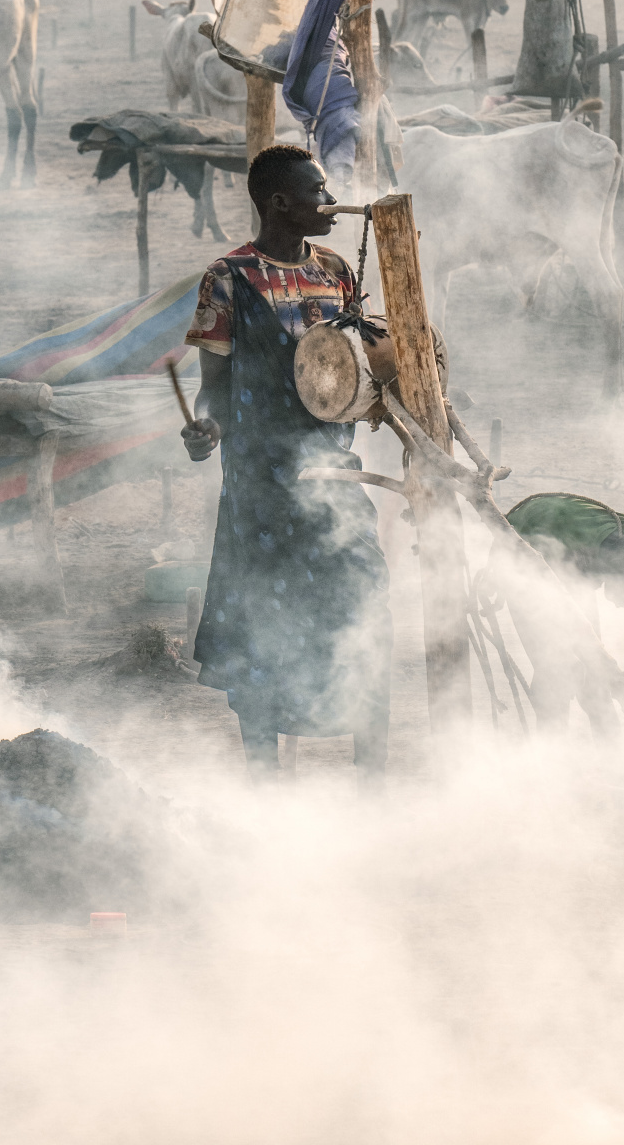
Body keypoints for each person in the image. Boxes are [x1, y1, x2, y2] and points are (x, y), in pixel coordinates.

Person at [181, 144, 392, 777]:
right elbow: (213, 390)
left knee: (363, 604)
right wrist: (206, 427)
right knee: (263, 622)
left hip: (334, 475)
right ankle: (264, 779)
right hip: (260, 487)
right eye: (318, 192)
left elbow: (356, 370)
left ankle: (373, 777)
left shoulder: (337, 272)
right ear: (279, 202)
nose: (331, 202)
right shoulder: (227, 279)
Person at [489, 491, 624, 732]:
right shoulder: (576, 558)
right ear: (621, 572)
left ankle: (610, 747)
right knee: (554, 672)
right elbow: (559, 616)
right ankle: (552, 745)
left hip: (566, 547)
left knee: (595, 678)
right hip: (528, 548)